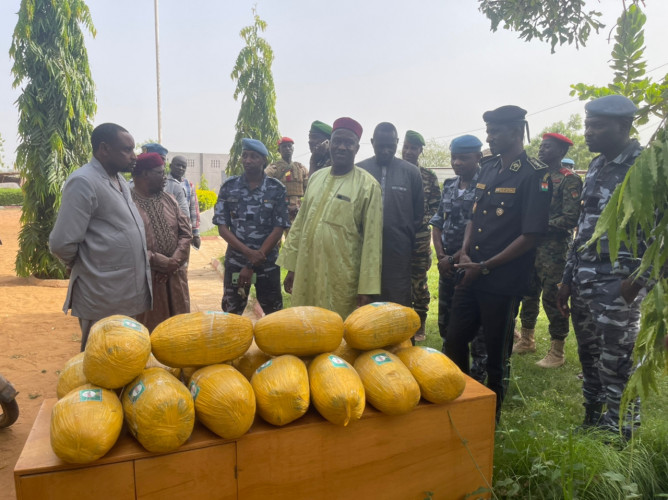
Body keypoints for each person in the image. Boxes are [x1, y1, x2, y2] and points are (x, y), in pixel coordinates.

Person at [444, 106, 552, 421]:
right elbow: (474, 216)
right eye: (488, 131)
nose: (489, 137)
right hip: (472, 272)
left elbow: (531, 236)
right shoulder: (488, 167)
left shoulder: (535, 173)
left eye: (496, 132)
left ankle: (491, 418)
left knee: (496, 354)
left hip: (502, 281)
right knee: (453, 342)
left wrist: (487, 264)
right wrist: (465, 253)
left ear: (517, 132)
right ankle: (459, 401)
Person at [557, 95, 650, 438]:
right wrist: (567, 278)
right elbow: (583, 225)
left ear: (624, 127)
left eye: (598, 126)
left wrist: (638, 282)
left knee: (618, 363)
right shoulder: (596, 165)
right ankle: (592, 418)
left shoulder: (645, 167)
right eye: (587, 125)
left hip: (618, 285)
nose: (589, 132)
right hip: (584, 281)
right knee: (589, 356)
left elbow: (662, 235)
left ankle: (621, 433)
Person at [49, 123, 152, 350]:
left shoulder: (119, 180)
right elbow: (61, 243)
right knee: (102, 362)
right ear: (104, 149)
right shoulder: (83, 182)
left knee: (126, 360)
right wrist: (84, 264)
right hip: (103, 294)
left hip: (124, 293)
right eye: (127, 150)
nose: (133, 156)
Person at [278, 117, 383, 319]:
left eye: (348, 143)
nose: (342, 147)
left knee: (337, 334)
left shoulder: (368, 186)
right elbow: (300, 224)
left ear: (356, 148)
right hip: (306, 270)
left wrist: (366, 290)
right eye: (337, 141)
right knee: (304, 325)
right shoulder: (316, 177)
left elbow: (372, 242)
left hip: (341, 277)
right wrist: (292, 267)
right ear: (330, 144)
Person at [514, 133, 583, 368]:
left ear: (562, 152)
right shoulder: (537, 176)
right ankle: (526, 339)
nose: (542, 150)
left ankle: (557, 351)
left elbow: (571, 217)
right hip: (530, 245)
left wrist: (538, 226)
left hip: (553, 248)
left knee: (553, 297)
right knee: (528, 292)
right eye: (541, 146)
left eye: (548, 147)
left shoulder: (569, 180)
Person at [430, 134, 487, 383]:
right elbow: (438, 221)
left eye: (463, 158)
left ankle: (477, 371)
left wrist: (452, 259)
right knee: (446, 315)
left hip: (470, 262)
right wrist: (441, 256)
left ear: (478, 157)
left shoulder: (485, 185)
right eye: (454, 157)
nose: (457, 162)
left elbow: (478, 228)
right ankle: (449, 362)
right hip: (447, 264)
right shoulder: (450, 185)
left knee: (473, 321)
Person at [213, 138, 290, 315]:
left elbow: (279, 228)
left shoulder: (276, 189)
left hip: (267, 263)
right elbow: (222, 227)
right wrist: (249, 255)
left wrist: (257, 258)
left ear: (264, 160)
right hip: (236, 263)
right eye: (245, 155)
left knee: (274, 314)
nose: (247, 160)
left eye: (254, 156)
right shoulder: (229, 187)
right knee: (232, 313)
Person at [358, 122, 424, 307]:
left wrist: (400, 234)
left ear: (397, 142)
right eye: (381, 146)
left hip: (398, 249)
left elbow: (418, 214)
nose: (386, 151)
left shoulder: (411, 173)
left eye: (391, 146)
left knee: (397, 298)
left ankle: (398, 336)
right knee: (364, 299)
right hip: (362, 248)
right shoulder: (360, 170)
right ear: (372, 142)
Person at [131, 153, 192, 331]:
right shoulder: (127, 204)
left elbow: (186, 233)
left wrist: (173, 262)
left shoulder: (169, 199)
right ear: (145, 175)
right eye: (160, 173)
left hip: (175, 276)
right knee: (149, 331)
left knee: (179, 329)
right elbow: (127, 243)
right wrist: (157, 261)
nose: (165, 177)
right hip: (148, 280)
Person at [402, 130, 441, 342]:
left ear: (420, 151)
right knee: (397, 280)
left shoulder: (428, 176)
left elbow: (437, 207)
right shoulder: (393, 172)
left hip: (419, 239)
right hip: (396, 239)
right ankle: (400, 322)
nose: (408, 151)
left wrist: (421, 221)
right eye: (406, 146)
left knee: (418, 281)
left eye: (413, 148)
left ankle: (420, 323)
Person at [265, 137, 309, 223]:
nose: (287, 149)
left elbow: (309, 190)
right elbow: (265, 189)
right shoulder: (273, 168)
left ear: (293, 148)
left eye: (289, 146)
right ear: (279, 150)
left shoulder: (301, 168)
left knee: (296, 235)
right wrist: (282, 206)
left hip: (298, 210)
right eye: (284, 147)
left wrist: (302, 207)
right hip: (279, 210)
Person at [142, 142, 190, 218]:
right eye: (151, 159)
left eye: (161, 159)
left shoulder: (175, 186)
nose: (157, 162)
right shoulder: (130, 186)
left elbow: (184, 218)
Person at [170, 155, 201, 249]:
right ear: (170, 166)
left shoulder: (189, 185)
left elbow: (193, 209)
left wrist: (196, 234)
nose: (181, 168)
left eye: (183, 166)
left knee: (183, 259)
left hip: (184, 230)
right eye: (178, 165)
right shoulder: (163, 183)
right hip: (168, 229)